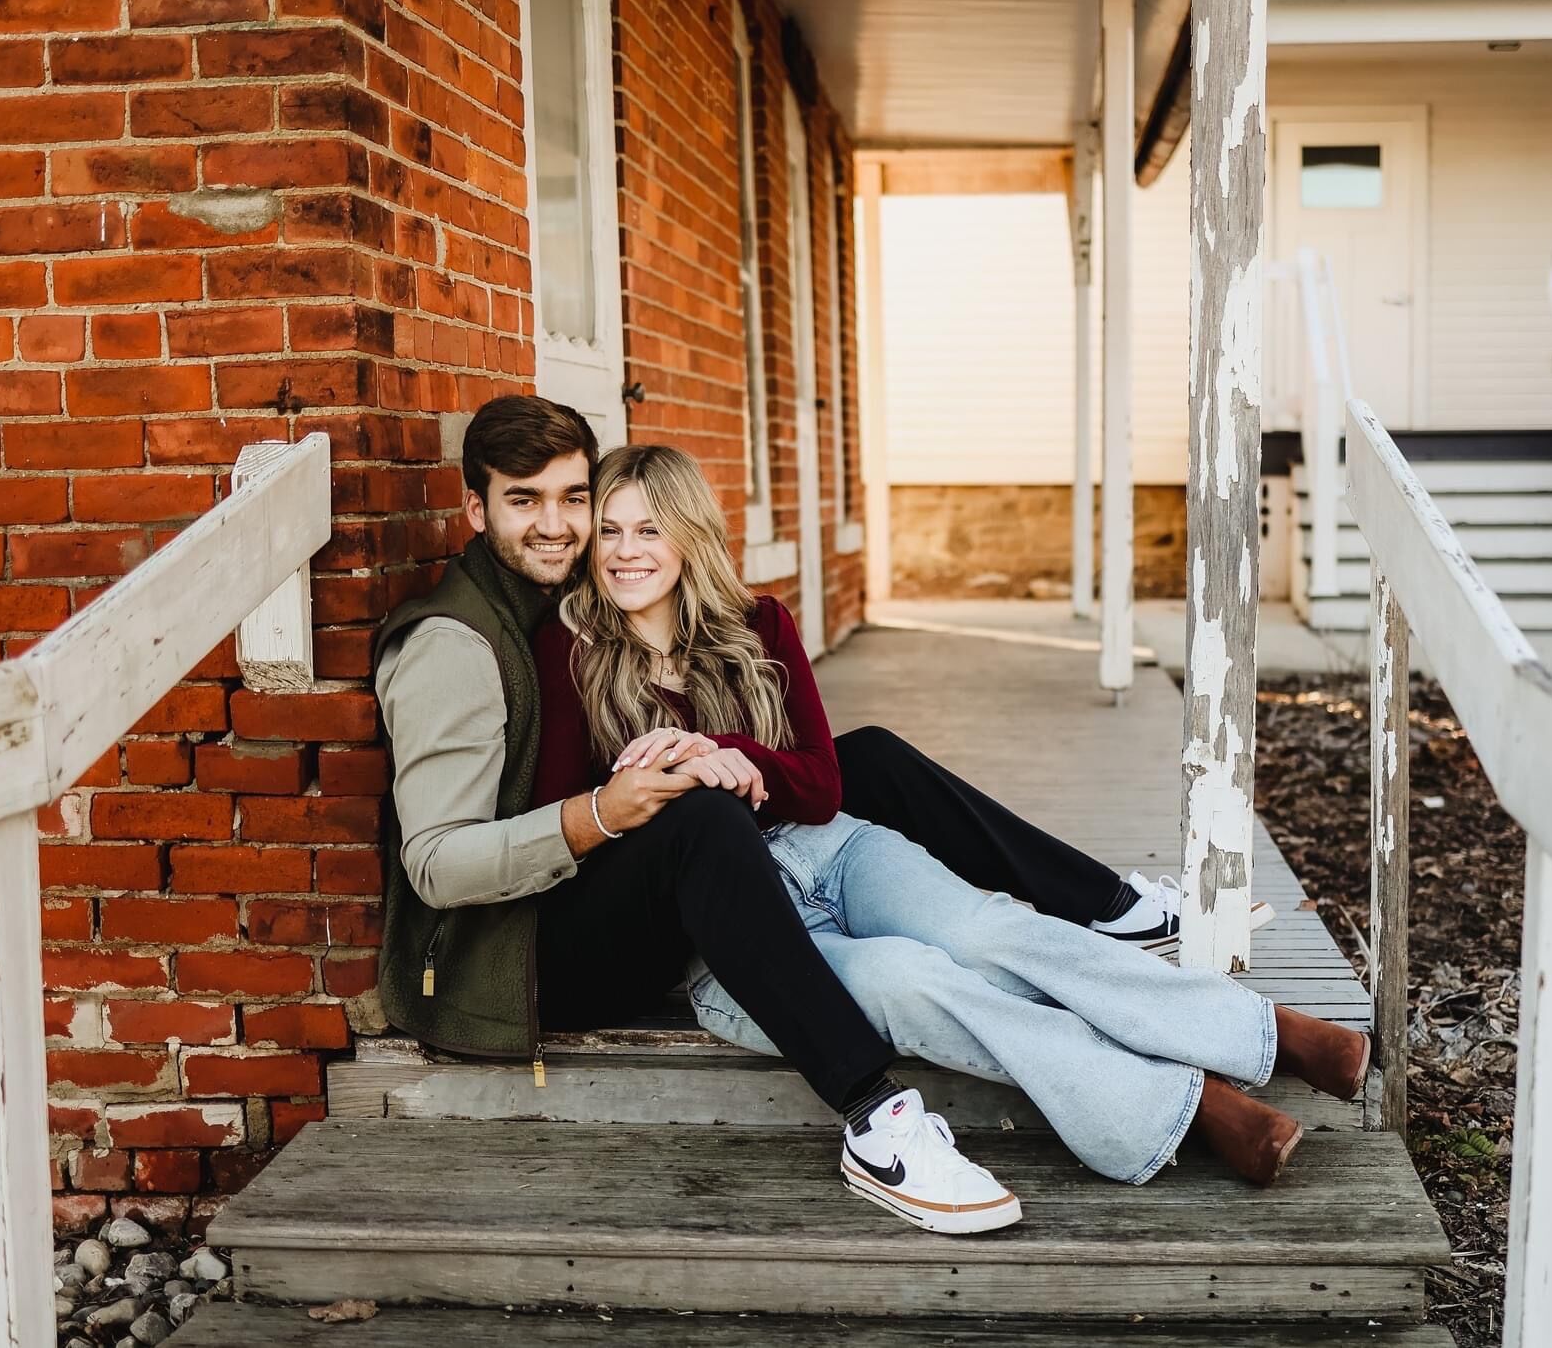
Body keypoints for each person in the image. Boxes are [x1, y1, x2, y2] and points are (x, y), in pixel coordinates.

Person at [530, 442, 1372, 1204]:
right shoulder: (569, 651)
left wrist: (728, 750)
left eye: (648, 528)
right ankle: (1193, 1106)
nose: (625, 551)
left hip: (828, 848)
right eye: (608, 530)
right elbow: (577, 825)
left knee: (987, 930)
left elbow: (823, 785)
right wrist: (666, 777)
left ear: (689, 534)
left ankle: (1262, 1032)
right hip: (731, 927)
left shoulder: (761, 625)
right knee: (911, 979)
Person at [374, 396, 1020, 1236]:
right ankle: (872, 1114)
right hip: (509, 956)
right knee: (705, 820)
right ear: (475, 509)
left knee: (860, 759)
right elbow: (435, 866)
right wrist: (601, 813)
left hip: (581, 891)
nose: (557, 525)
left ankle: (1100, 906)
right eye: (523, 500)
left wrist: (712, 752)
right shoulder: (453, 646)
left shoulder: (562, 593)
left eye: (575, 500)